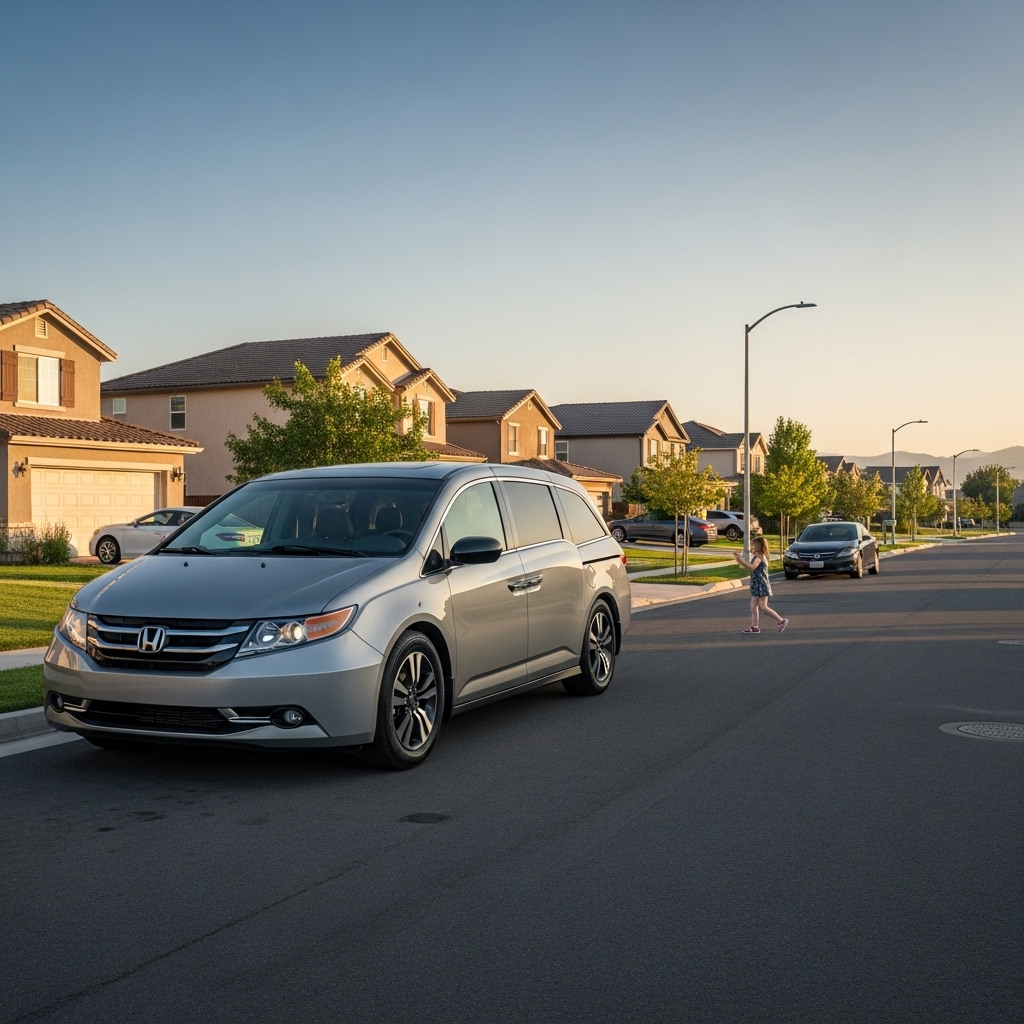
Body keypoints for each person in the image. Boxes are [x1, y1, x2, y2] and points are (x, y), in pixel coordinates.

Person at [732, 536, 788, 634]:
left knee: (763, 607)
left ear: (758, 546)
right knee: (753, 606)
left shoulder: (759, 557)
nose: (752, 546)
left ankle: (781, 620)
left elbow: (752, 567)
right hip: (757, 584)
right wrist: (738, 559)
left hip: (760, 585)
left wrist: (740, 560)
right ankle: (755, 627)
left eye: (753, 545)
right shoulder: (758, 556)